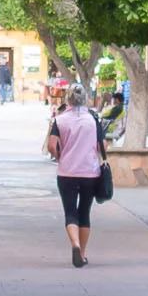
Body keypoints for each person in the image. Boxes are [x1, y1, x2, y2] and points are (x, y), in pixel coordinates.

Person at [46, 84, 107, 266]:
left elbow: (51, 145)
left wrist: (61, 157)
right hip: (90, 172)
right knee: (85, 212)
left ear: (68, 99)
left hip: (67, 172)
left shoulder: (60, 120)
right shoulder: (93, 120)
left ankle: (75, 244)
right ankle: (83, 253)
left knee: (70, 211)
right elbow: (101, 145)